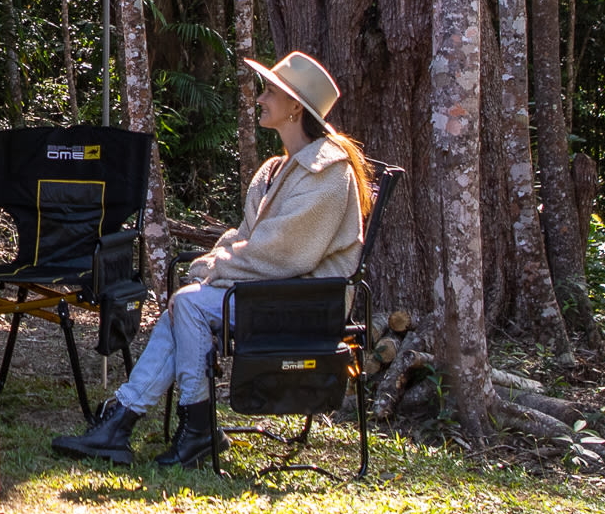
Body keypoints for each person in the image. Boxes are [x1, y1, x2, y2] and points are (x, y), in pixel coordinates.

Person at [53, 49, 371, 467]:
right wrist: (216, 260)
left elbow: (282, 254)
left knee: (188, 303)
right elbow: (247, 237)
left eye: (270, 92)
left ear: (296, 107)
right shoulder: (279, 169)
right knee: (182, 305)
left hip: (308, 302)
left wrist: (214, 267)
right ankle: (125, 421)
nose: (260, 99)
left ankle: (193, 427)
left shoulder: (327, 173)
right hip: (274, 291)